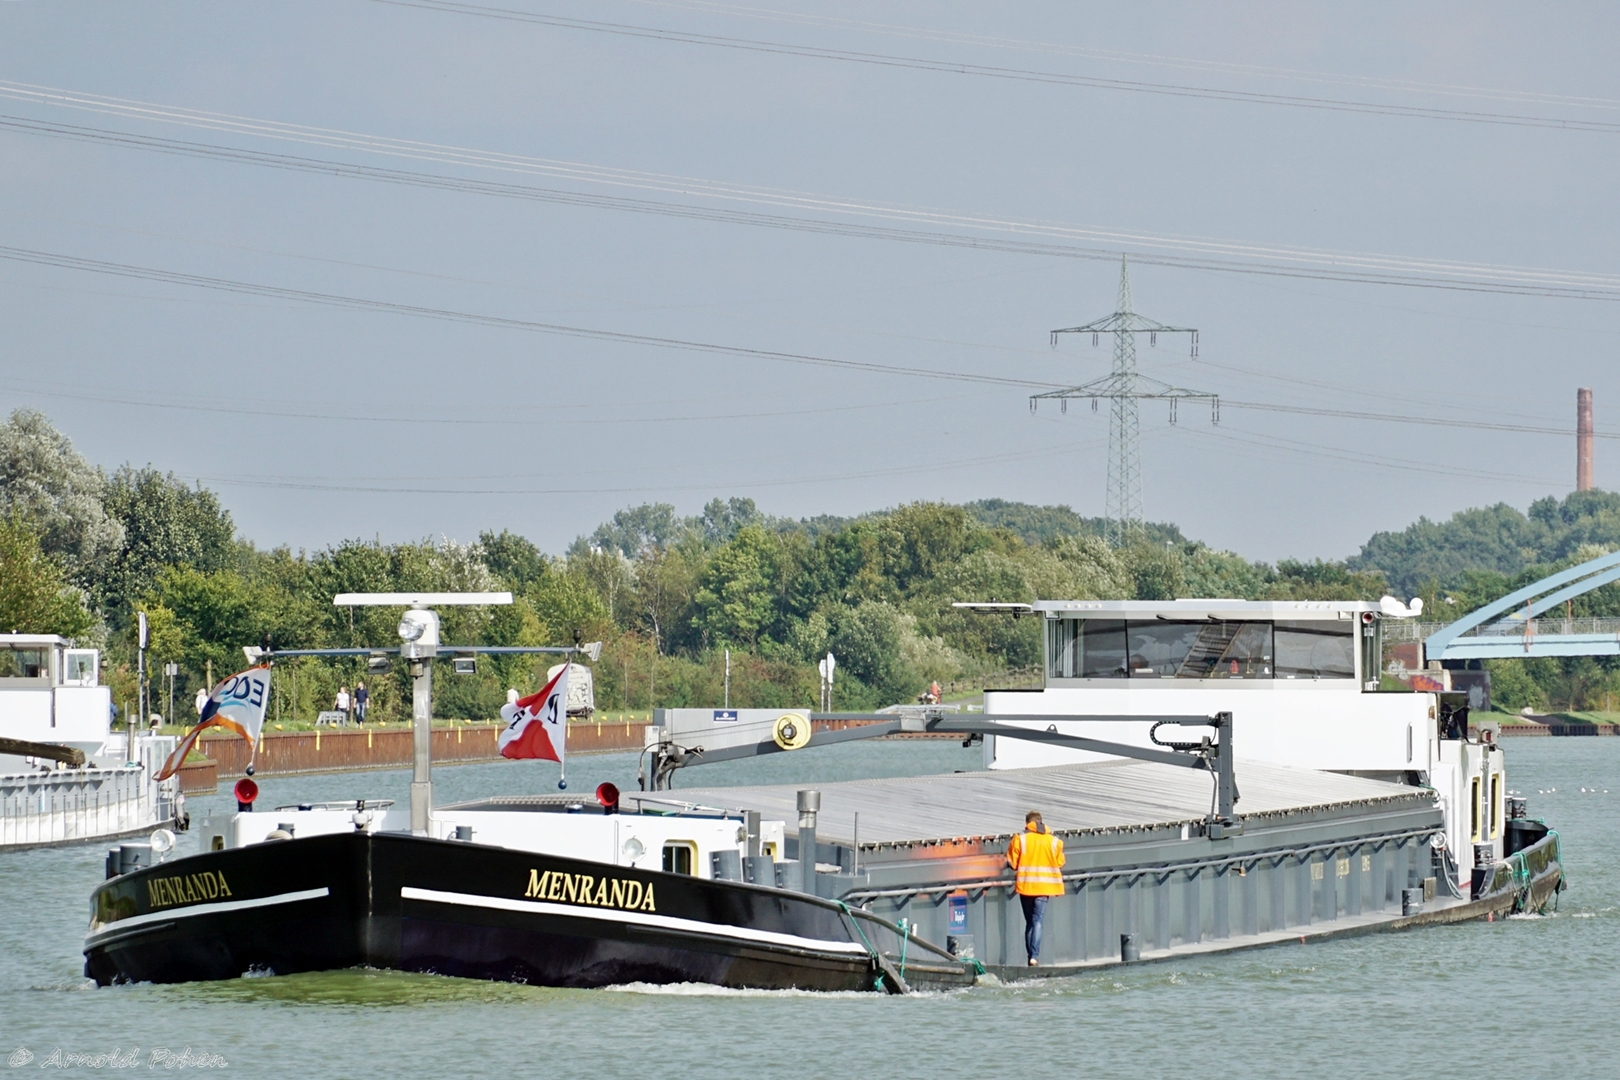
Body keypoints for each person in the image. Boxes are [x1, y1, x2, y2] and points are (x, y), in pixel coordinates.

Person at [1006, 810, 1065, 966]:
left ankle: (1030, 956)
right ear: (1041, 822)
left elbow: (1013, 863)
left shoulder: (1020, 838)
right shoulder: (1055, 841)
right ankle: (1034, 956)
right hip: (1045, 888)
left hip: (1026, 886)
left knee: (1029, 923)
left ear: (1027, 823)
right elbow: (1060, 862)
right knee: (1037, 920)